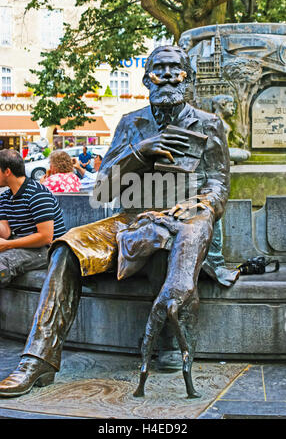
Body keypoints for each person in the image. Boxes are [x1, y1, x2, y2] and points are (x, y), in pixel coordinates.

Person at [0, 45, 238, 398]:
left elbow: (218, 184)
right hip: (129, 218)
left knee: (164, 242)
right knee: (66, 248)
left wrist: (198, 206)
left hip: (184, 221)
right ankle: (37, 361)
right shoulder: (131, 123)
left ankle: (168, 340)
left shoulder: (208, 124)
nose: (169, 75)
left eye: (177, 69)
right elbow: (105, 184)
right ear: (147, 79)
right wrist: (139, 152)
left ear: (188, 77)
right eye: (160, 69)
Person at [0, 149, 66, 287]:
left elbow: (46, 237)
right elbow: (5, 232)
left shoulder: (37, 194)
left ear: (7, 171)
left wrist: (7, 244)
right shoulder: (5, 197)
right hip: (20, 244)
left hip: (48, 250)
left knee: (2, 263)